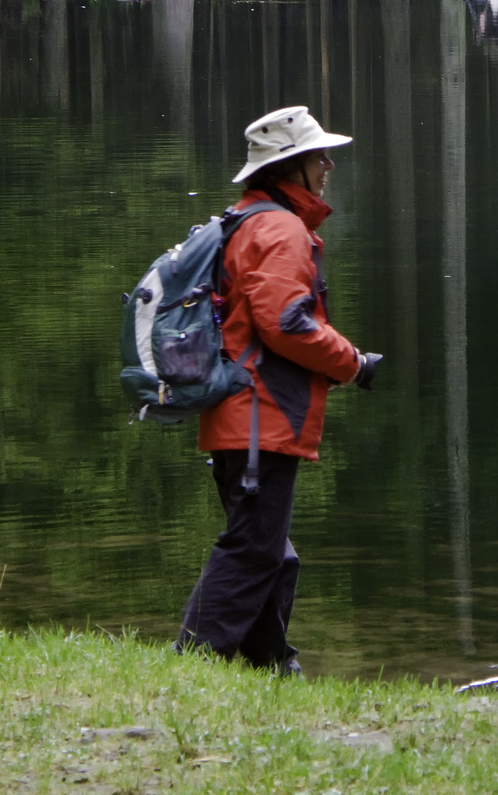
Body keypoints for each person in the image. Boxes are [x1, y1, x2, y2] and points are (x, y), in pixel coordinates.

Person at [176, 105, 383, 673]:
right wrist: (353, 363)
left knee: (271, 552)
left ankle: (272, 665)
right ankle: (191, 660)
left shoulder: (247, 220)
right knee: (254, 548)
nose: (329, 166)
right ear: (291, 168)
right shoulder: (282, 229)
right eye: (319, 157)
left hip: (236, 414)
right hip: (257, 418)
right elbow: (285, 323)